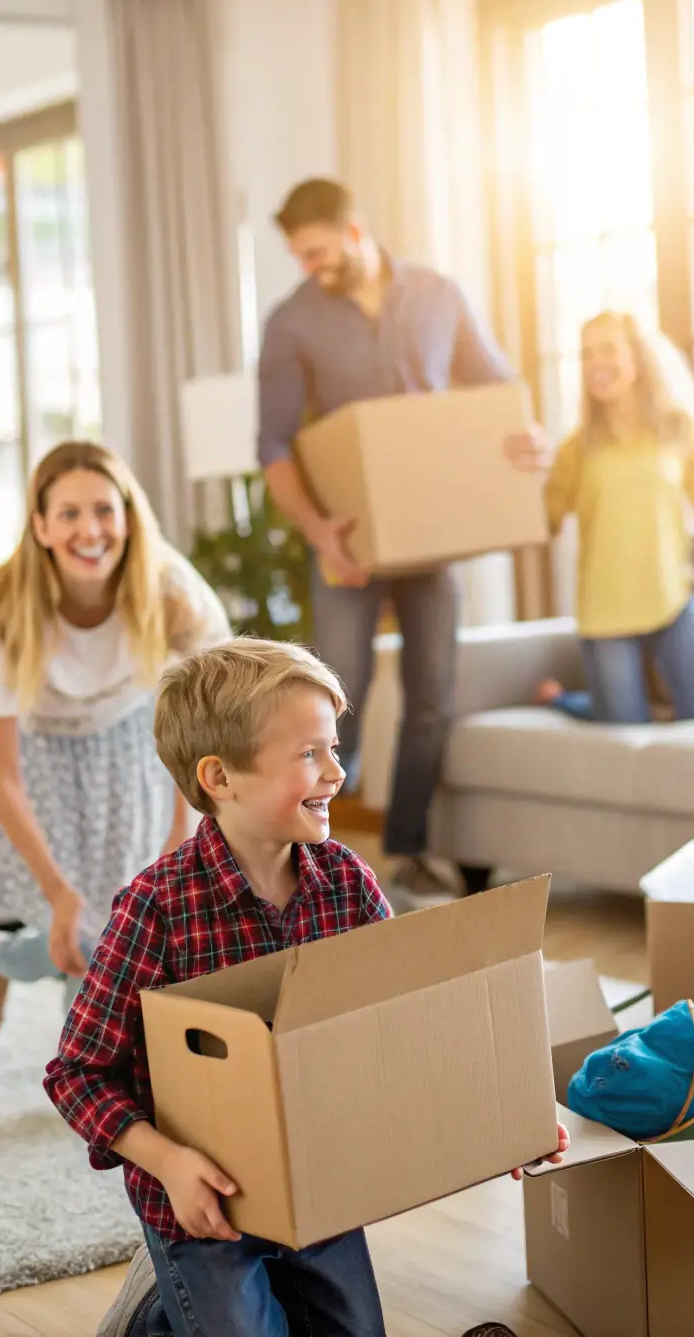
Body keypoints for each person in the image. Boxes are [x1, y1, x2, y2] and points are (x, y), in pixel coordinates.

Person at [45, 638, 570, 1337]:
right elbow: (76, 1072)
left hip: (321, 1186)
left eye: (333, 747)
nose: (336, 771)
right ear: (219, 777)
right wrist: (170, 1163)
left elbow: (407, 1023)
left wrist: (505, 1123)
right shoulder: (156, 908)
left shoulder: (346, 881)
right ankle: (154, 1315)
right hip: (205, 1209)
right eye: (308, 754)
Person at [257, 178, 518, 904]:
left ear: (353, 229)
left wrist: (521, 442)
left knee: (432, 693)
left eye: (317, 251)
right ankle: (320, 861)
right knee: (332, 699)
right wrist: (318, 532)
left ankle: (406, 851)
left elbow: (495, 391)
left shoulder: (436, 294)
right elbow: (273, 443)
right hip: (345, 539)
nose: (310, 267)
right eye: (298, 257)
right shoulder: (292, 322)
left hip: (431, 535)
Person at [0, 440, 231, 1040]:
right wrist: (56, 892)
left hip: (128, 740)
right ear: (41, 527)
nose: (91, 530)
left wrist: (179, 835)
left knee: (118, 924)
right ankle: (84, 1062)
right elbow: (3, 774)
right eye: (70, 514)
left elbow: (203, 724)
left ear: (128, 519)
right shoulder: (6, 608)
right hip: (38, 754)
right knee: (78, 926)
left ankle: (11, 963)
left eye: (105, 510)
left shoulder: (172, 593)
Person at [507, 311, 694, 724]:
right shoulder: (577, 449)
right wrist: (522, 473)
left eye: (608, 349)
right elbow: (544, 524)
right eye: (586, 354)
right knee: (623, 724)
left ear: (638, 358)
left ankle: (611, 702)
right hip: (605, 614)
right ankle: (561, 699)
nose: (595, 362)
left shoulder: (678, 430)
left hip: (671, 602)